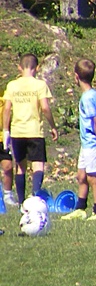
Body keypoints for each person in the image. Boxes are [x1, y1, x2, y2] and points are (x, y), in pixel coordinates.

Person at [2, 53, 56, 205]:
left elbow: (7, 109)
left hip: (17, 131)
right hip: (34, 131)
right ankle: (35, 196)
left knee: (20, 167)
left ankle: (21, 202)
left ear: (19, 67)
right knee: (38, 165)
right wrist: (53, 126)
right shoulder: (40, 85)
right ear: (37, 68)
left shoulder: (12, 85)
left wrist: (5, 130)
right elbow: (45, 108)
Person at [62, 58, 96, 221]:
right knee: (81, 176)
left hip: (93, 144)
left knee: (92, 178)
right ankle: (80, 208)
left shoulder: (88, 98)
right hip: (86, 144)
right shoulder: (94, 95)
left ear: (76, 77)